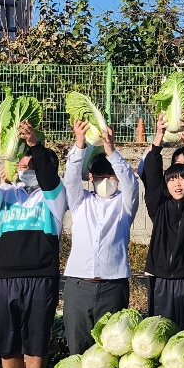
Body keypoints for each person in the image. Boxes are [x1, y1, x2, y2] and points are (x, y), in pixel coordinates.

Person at [0, 121, 68, 368]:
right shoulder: (5, 197)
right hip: (5, 278)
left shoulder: (54, 199)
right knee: (6, 341)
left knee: (36, 340)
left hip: (41, 277)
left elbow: (49, 179)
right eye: (22, 166)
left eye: (31, 166)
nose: (25, 170)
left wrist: (36, 146)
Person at [61, 119, 140, 355]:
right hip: (78, 284)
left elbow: (131, 183)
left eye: (109, 175)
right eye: (98, 176)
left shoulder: (124, 205)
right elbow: (71, 178)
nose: (104, 180)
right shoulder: (80, 202)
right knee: (77, 347)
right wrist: (79, 142)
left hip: (113, 285)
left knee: (112, 351)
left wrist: (111, 151)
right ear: (91, 178)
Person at [140, 113, 184, 331]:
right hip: (162, 279)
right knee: (162, 335)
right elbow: (151, 177)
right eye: (171, 179)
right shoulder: (159, 207)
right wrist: (159, 135)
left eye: (182, 178)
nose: (177, 184)